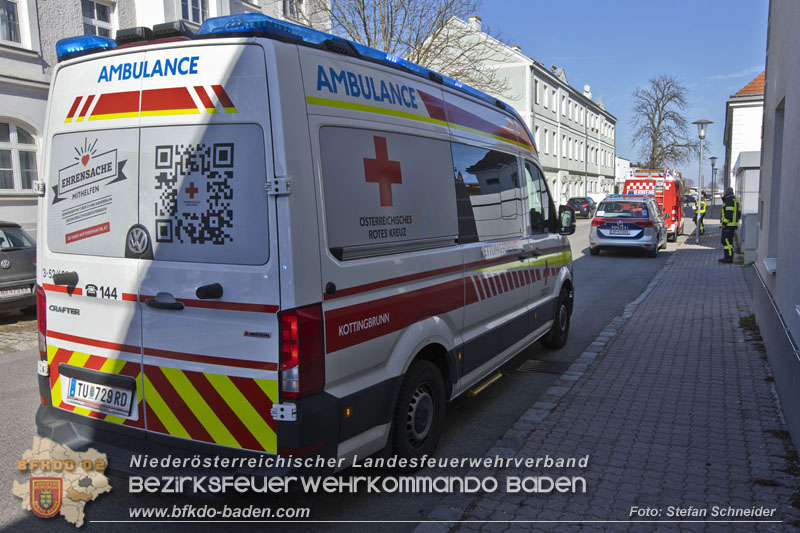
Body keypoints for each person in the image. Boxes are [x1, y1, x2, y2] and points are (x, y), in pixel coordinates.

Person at [719, 187, 740, 263]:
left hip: (728, 225)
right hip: (732, 224)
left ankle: (728, 257)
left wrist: (724, 223)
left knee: (726, 241)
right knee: (729, 241)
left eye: (725, 192)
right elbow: (739, 213)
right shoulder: (734, 200)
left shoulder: (729, 201)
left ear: (727, 192)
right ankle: (729, 256)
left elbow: (728, 214)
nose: (724, 193)